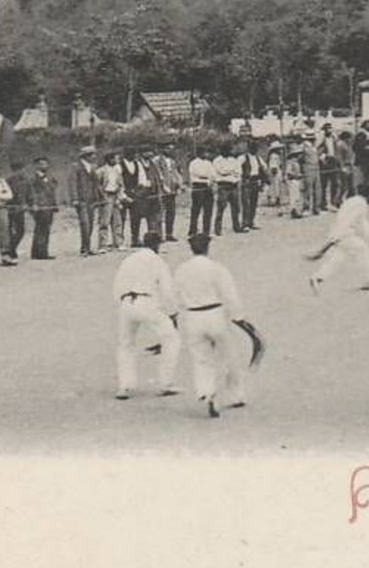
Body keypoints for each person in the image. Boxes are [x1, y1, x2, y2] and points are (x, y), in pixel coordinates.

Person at [173, 232, 253, 418]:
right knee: (229, 356)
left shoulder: (181, 270)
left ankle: (207, 391)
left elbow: (175, 295)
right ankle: (236, 395)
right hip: (216, 314)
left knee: (202, 359)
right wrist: (239, 316)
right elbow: (229, 294)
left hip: (193, 317)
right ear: (208, 247)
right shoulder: (216, 268)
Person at [110, 231, 182, 401]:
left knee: (125, 344)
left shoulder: (128, 260)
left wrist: (122, 305)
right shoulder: (158, 261)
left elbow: (117, 286)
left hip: (127, 302)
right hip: (147, 302)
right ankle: (166, 383)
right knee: (171, 339)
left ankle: (124, 386)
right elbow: (167, 291)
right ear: (157, 245)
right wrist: (173, 314)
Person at [307, 192, 369, 294]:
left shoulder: (347, 203)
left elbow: (346, 221)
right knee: (364, 250)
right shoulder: (361, 203)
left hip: (338, 235)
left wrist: (331, 241)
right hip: (346, 235)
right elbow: (361, 222)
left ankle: (317, 277)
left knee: (337, 258)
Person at [69, 146, 101, 257]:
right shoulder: (76, 167)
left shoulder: (92, 167)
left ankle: (87, 246)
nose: (94, 157)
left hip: (91, 199)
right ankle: (84, 249)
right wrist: (75, 198)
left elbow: (96, 184)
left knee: (91, 223)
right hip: (82, 200)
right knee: (85, 224)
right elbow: (73, 183)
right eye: (92, 155)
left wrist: (98, 197)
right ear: (86, 156)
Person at [27, 156, 58, 260]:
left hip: (49, 206)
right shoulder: (33, 179)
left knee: (46, 229)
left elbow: (52, 191)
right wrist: (33, 205)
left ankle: (40, 251)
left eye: (46, 164)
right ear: (36, 166)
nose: (44, 166)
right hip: (39, 207)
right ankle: (40, 253)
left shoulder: (50, 178)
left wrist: (54, 205)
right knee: (40, 228)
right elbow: (31, 193)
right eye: (41, 164)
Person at [96, 152, 125, 251]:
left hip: (115, 196)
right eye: (114, 159)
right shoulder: (101, 171)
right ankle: (102, 245)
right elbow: (97, 185)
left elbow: (121, 184)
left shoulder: (117, 170)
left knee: (117, 221)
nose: (116, 161)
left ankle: (118, 243)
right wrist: (102, 196)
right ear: (109, 159)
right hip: (106, 196)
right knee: (104, 221)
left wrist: (119, 196)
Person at [212, 141, 242, 235]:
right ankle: (218, 229)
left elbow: (238, 171)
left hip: (233, 186)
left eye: (228, 149)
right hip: (223, 186)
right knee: (221, 207)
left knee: (236, 207)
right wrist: (231, 171)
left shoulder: (233, 160)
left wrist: (231, 173)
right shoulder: (217, 160)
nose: (227, 151)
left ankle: (236, 226)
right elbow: (221, 171)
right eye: (225, 149)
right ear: (221, 150)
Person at [187, 143, 216, 237]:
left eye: (206, 152)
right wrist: (206, 176)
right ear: (199, 153)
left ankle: (206, 231)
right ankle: (193, 230)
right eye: (204, 152)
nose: (205, 154)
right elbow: (198, 173)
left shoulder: (209, 163)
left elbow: (213, 175)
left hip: (208, 188)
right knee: (196, 210)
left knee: (208, 210)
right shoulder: (193, 163)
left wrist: (208, 178)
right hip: (198, 187)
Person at [154, 144, 182, 242]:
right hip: (162, 191)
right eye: (168, 148)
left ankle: (169, 234)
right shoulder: (156, 160)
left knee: (171, 212)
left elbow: (176, 174)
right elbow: (158, 175)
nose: (170, 150)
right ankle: (159, 235)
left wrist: (179, 185)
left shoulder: (172, 161)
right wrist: (163, 186)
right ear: (163, 149)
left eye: (172, 149)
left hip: (172, 190)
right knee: (160, 213)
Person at [239, 138, 266, 230]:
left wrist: (263, 180)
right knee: (246, 203)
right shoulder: (243, 157)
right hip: (247, 181)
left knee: (254, 203)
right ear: (249, 148)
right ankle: (245, 223)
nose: (254, 149)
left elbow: (263, 168)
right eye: (252, 147)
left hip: (255, 181)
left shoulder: (258, 158)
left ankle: (251, 221)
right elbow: (237, 168)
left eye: (255, 147)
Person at [353, 120, 369, 203]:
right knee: (362, 179)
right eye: (368, 124)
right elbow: (360, 147)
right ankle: (361, 197)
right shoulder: (360, 134)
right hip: (363, 160)